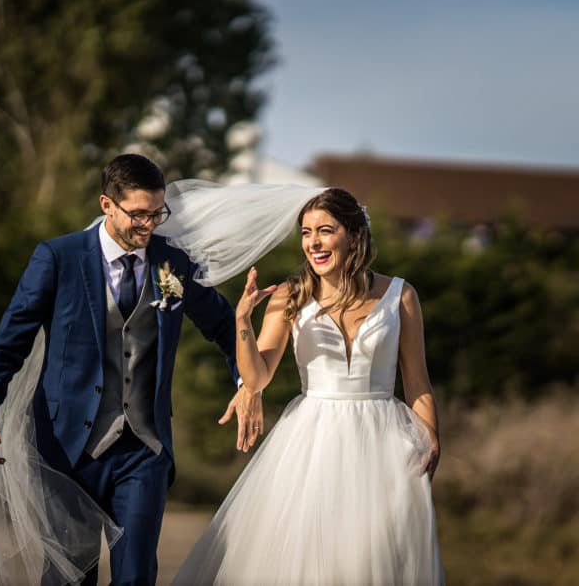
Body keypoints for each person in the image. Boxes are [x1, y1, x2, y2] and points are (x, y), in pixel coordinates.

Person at [0, 154, 323, 586]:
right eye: (138, 214)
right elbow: (10, 341)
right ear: (106, 205)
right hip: (66, 451)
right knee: (69, 577)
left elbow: (222, 326)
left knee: (136, 576)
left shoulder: (171, 263)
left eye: (158, 214)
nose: (149, 224)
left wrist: (246, 384)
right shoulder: (58, 258)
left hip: (143, 451)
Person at [172, 187, 445, 585]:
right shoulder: (289, 296)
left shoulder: (401, 295)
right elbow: (257, 377)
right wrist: (243, 321)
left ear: (353, 234)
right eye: (305, 232)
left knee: (373, 558)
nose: (313, 242)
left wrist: (431, 438)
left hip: (384, 444)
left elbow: (417, 381)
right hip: (313, 441)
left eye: (325, 230)